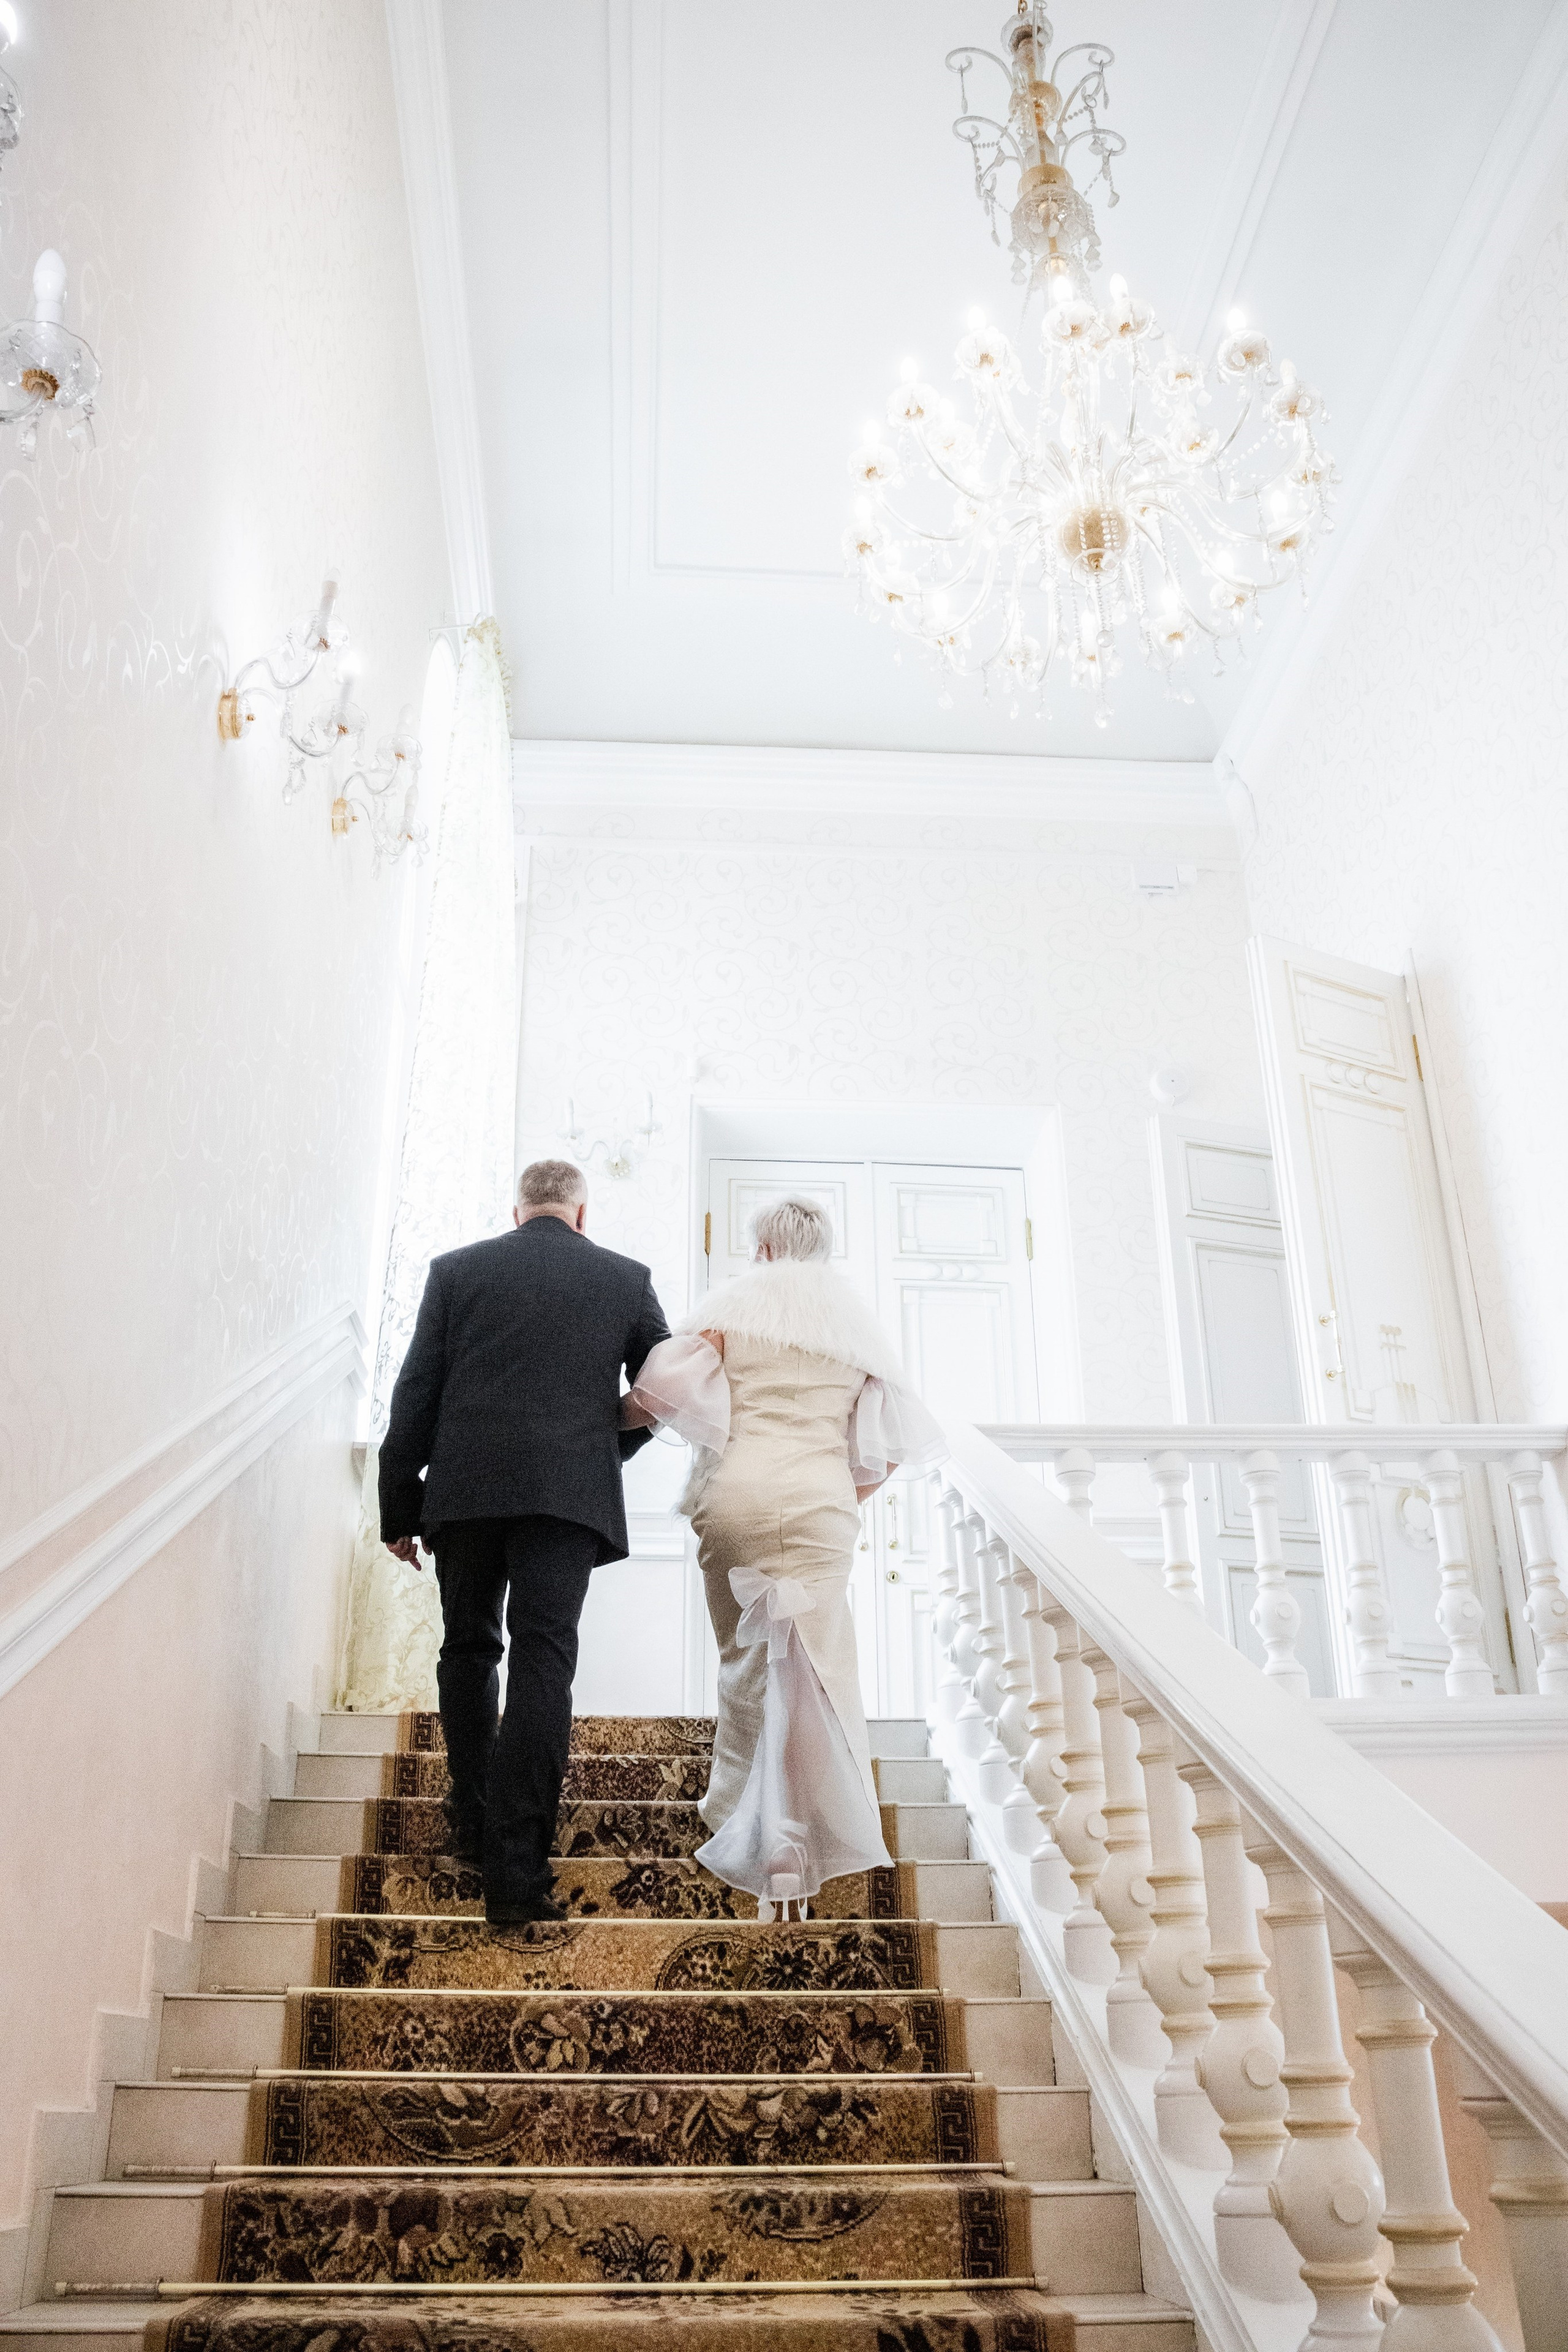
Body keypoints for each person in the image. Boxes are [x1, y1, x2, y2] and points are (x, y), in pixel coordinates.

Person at [622, 1197, 944, 1914]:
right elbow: (889, 1447)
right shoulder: (853, 1326)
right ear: (823, 1247)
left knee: (748, 1661)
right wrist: (833, 1492)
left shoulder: (734, 1308)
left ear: (762, 1248)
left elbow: (658, 1393)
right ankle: (805, 1839)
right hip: (820, 1503)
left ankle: (745, 1821)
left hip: (736, 1496)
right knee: (821, 1668)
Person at [379, 1159, 669, 1923]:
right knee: (545, 1659)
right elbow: (663, 1391)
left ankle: (472, 1822)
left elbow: (417, 1391)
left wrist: (398, 1506)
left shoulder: (455, 1272)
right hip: (566, 1500)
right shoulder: (626, 1278)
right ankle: (516, 1873)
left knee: (468, 1651)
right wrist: (593, 1442)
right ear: (582, 1212)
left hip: (465, 1492)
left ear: (518, 1212)